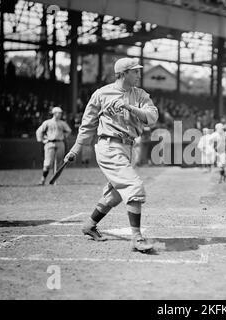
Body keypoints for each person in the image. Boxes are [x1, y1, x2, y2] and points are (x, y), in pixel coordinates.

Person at [64, 57, 158, 253]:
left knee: (115, 194)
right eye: (135, 71)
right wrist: (75, 149)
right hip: (108, 146)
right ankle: (137, 238)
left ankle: (89, 225)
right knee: (133, 186)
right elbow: (87, 124)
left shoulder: (140, 95)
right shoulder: (101, 94)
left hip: (128, 147)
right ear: (123, 74)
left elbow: (152, 116)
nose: (139, 75)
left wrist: (130, 107)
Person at [36, 107, 72, 185]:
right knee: (48, 163)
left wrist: (63, 136)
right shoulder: (47, 122)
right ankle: (43, 179)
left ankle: (54, 180)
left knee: (58, 163)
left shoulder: (62, 123)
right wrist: (42, 140)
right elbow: (39, 131)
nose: (60, 114)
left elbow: (69, 131)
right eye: (58, 113)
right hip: (50, 143)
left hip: (60, 143)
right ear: (54, 113)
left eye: (60, 113)